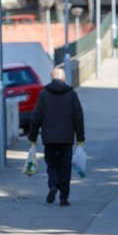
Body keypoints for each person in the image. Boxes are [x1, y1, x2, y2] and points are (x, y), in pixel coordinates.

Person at [28, 67, 85, 206]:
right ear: (64, 78)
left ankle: (53, 184)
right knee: (65, 166)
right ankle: (64, 198)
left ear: (52, 78)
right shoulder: (71, 94)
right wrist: (80, 137)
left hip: (49, 138)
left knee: (52, 164)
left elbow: (36, 117)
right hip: (66, 138)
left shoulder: (44, 94)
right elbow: (78, 116)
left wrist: (33, 136)